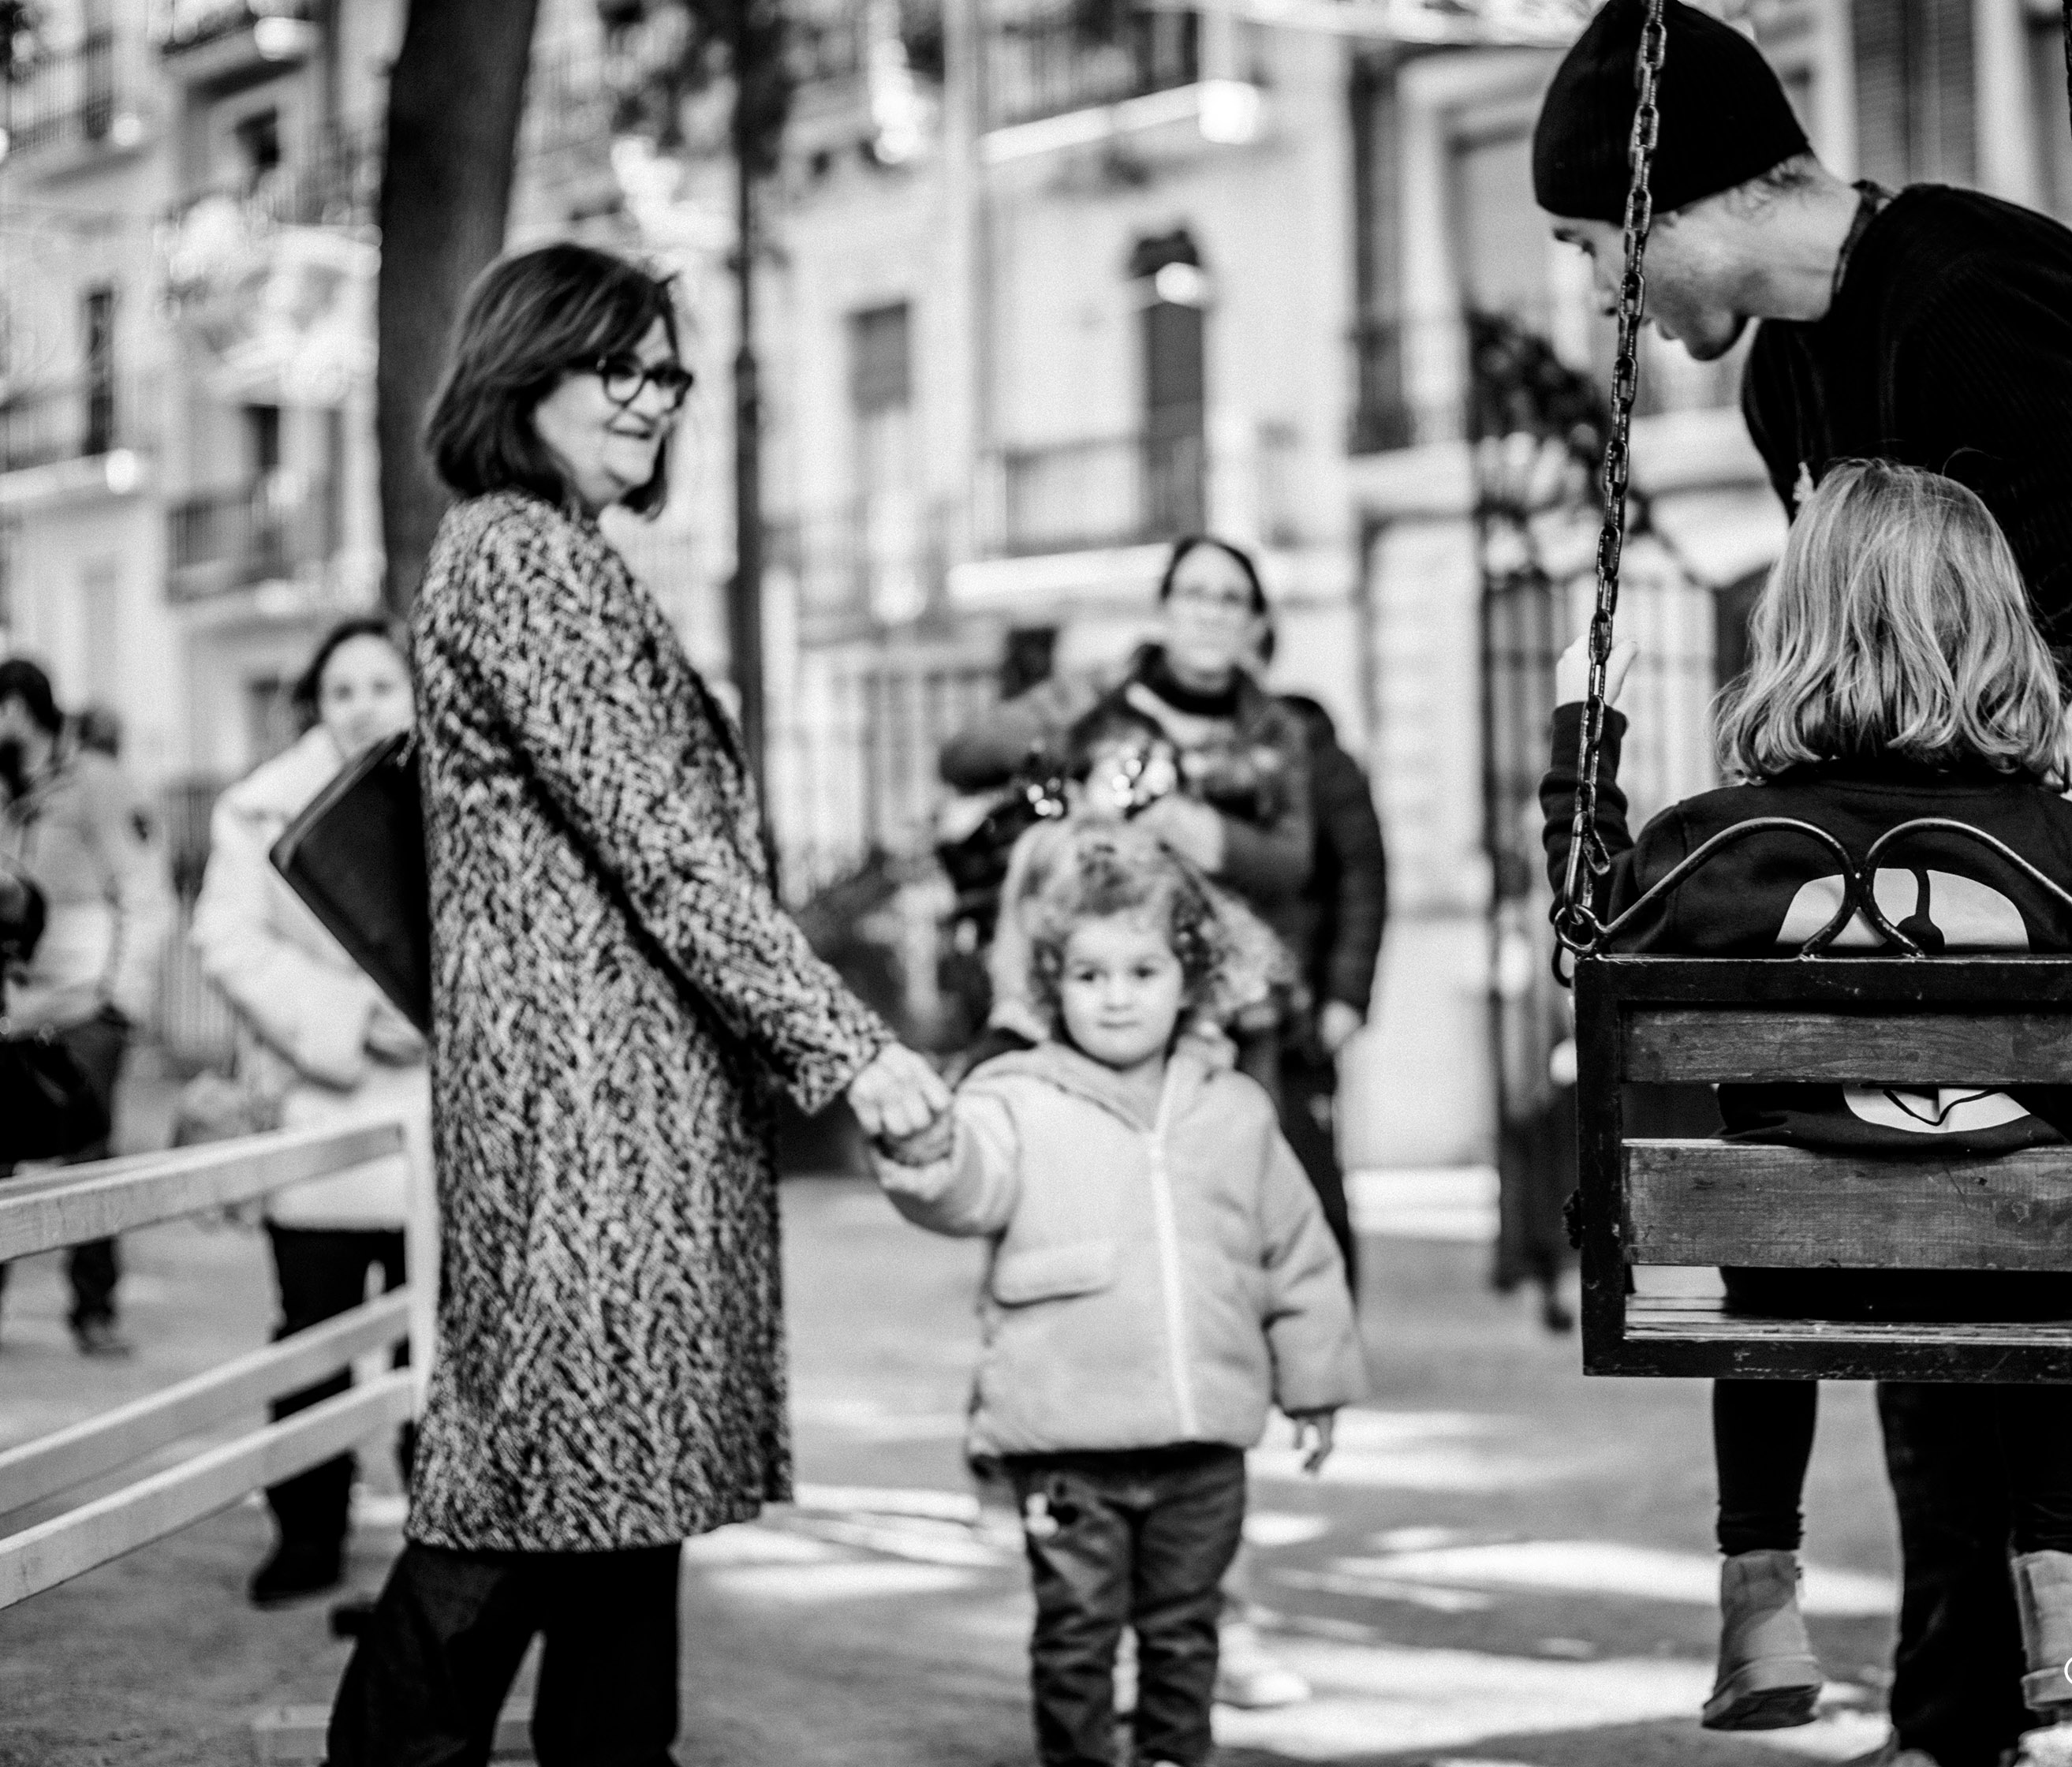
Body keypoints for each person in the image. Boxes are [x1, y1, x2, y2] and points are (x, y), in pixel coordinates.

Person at [1531, 9, 2072, 1758]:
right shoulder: (1787, 377)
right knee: (1902, 1217)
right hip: (1983, 904)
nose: (1604, 296)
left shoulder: (1980, 295)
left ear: (1663, 199)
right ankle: (1960, 1703)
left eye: (1597, 248)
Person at [324, 242, 947, 1765]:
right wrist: (850, 1050)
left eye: (668, 372)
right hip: (583, 1126)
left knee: (621, 1499)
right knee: (527, 1487)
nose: (653, 398)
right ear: (524, 364)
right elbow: (666, 853)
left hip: (628, 1115)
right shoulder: (520, 557)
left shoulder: (557, 552)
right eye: (623, 364)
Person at [1541, 461, 2072, 1734]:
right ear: (1998, 636)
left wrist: (1580, 748)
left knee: (1764, 1228)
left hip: (1797, 1264)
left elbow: (1590, 926)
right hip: (2011, 1255)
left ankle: (1761, 1592)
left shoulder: (1717, 848)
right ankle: (2066, 1590)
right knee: (2052, 1246)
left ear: (1792, 631)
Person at [870, 817, 1364, 1767]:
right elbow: (965, 1184)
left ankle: (1178, 1754)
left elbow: (1297, 1253)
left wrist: (1314, 1379)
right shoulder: (1013, 1094)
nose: (1117, 998)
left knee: (1185, 1634)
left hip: (1200, 1440)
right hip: (1066, 1442)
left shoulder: (1235, 1110)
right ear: (1052, 983)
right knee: (1076, 1634)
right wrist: (925, 1146)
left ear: (1193, 976)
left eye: (1143, 972)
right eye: (1089, 975)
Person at [192, 617, 435, 1606]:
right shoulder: (258, 810)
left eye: (382, 683)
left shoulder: (462, 793)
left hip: (436, 1116)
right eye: (341, 689)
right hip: (323, 1109)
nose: (362, 704)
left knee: (440, 1342)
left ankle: (446, 1545)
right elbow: (229, 939)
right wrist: (347, 1019)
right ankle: (307, 1529)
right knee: (313, 1335)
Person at [940, 536, 1316, 1089]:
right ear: (1164, 609)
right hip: (1098, 988)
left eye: (1230, 599)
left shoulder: (1276, 730)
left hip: (1226, 998)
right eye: (1194, 594)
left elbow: (1292, 863)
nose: (1209, 613)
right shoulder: (1100, 693)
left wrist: (1196, 829)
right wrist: (1071, 759)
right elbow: (964, 756)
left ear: (1255, 624)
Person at [0, 655, 176, 1357]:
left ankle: (94, 1310)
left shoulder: (98, 785)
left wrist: (120, 1000)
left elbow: (144, 890)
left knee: (88, 1162)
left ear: (23, 709)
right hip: (12, 1007)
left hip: (82, 1008)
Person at [1270, 689, 1387, 1291]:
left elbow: (1363, 872)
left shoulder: (1313, 746)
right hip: (1207, 1014)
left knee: (1311, 1182)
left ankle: (1329, 1332)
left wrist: (1345, 994)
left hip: (1298, 1016)